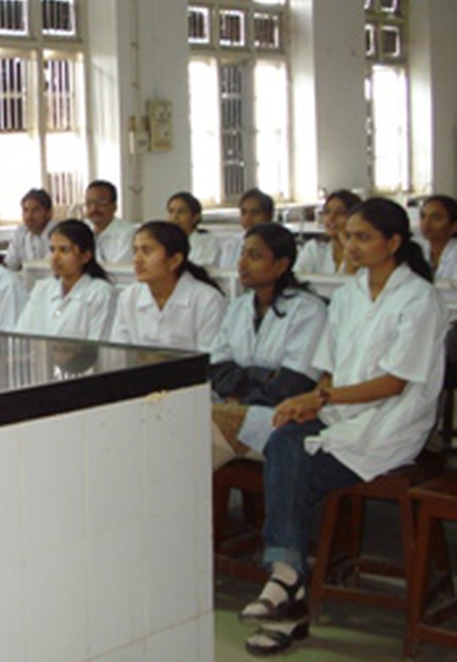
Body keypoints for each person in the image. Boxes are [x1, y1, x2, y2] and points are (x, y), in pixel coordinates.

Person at [238, 198, 445, 656]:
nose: (350, 245)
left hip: (392, 424)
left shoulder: (418, 298)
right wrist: (312, 403)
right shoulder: (348, 295)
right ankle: (288, 583)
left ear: (393, 243)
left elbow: (394, 382)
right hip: (340, 416)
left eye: (362, 237)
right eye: (347, 236)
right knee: (285, 443)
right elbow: (329, 369)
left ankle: (288, 592)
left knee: (292, 468)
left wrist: (321, 398)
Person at [209, 223, 328, 470]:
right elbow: (218, 368)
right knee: (194, 431)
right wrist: (262, 375)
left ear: (281, 265)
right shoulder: (239, 306)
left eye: (255, 256)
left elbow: (294, 383)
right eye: (242, 253)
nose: (242, 263)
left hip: (284, 416)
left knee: (201, 429)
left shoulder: (308, 310)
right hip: (237, 410)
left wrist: (242, 400)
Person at [110, 221, 227, 352]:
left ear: (174, 261)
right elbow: (119, 352)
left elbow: (211, 360)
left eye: (146, 251)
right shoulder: (128, 297)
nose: (137, 259)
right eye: (135, 251)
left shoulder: (208, 301)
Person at [15, 219, 116, 341]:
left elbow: (98, 346)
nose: (55, 258)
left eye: (64, 250)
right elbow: (21, 335)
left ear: (86, 256)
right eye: (53, 250)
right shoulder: (42, 288)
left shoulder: (99, 293)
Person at [294, 189, 363, 276]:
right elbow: (296, 279)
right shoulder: (314, 249)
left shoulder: (366, 253)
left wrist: (349, 252)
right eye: (327, 212)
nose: (331, 218)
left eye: (340, 213)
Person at [220, 189, 275, 269]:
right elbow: (224, 276)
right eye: (243, 212)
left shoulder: (278, 244)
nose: (248, 218)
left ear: (269, 216)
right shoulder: (232, 244)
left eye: (255, 212)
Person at [84, 179, 135, 265]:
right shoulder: (82, 230)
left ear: (114, 206)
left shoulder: (128, 234)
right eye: (89, 203)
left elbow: (117, 271)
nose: (93, 209)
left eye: (101, 202)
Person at [3, 188, 53, 271]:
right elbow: (10, 265)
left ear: (49, 213)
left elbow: (49, 269)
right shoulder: (21, 232)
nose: (29, 216)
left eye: (36, 210)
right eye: (25, 210)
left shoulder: (59, 233)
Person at [167, 191, 220, 267]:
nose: (174, 217)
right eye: (171, 211)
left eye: (181, 212)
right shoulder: (162, 241)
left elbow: (202, 267)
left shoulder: (206, 240)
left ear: (195, 217)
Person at [417, 194, 457, 280]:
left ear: (454, 226)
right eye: (423, 216)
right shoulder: (417, 247)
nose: (426, 224)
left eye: (436, 218)